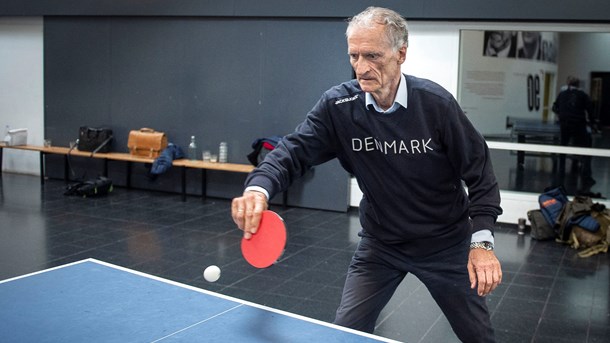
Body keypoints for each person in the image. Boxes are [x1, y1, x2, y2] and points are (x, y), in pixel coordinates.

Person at [232, 7, 503, 342]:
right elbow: (293, 151)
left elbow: (481, 175)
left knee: (479, 337)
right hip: (381, 245)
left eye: (372, 55)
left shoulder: (436, 105)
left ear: (401, 53)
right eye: (354, 56)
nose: (361, 67)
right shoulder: (339, 106)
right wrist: (258, 188)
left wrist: (482, 243)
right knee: (347, 332)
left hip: (445, 244)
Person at [552, 77, 596, 191]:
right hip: (578, 125)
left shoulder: (562, 94)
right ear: (578, 84)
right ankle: (586, 174)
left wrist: (561, 115)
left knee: (563, 147)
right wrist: (593, 123)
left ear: (568, 83)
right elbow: (590, 110)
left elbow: (554, 107)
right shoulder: (582, 95)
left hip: (565, 124)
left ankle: (561, 171)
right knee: (585, 148)